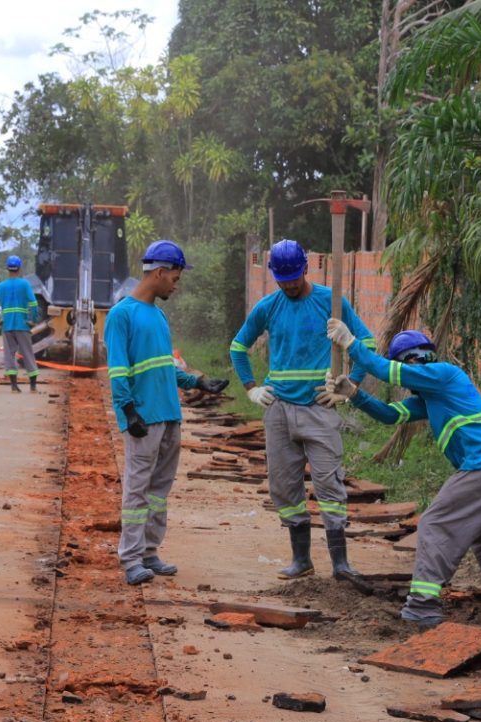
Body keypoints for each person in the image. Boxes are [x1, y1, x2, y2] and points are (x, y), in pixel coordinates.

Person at [333, 327, 481, 625]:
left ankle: (422, 605)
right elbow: (389, 415)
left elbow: (387, 371)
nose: (409, 370)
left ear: (417, 359)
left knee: (436, 524)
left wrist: (351, 344)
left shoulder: (444, 374)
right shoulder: (429, 397)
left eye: (409, 362)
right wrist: (354, 394)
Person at [229, 239, 372, 591]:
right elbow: (237, 347)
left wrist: (348, 385)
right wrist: (251, 387)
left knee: (328, 482)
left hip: (319, 408)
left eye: (294, 278)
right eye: (283, 280)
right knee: (284, 484)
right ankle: (301, 559)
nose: (290, 285)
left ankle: (341, 563)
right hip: (278, 410)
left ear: (306, 269)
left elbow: (365, 344)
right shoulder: (268, 306)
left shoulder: (330, 301)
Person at [108, 240, 229, 585]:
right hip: (143, 418)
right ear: (160, 273)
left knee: (159, 491)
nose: (177, 285)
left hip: (169, 414)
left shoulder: (158, 316)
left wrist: (198, 382)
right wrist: (128, 411)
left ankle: (149, 551)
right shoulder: (122, 315)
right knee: (137, 490)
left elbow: (165, 367)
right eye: (175, 278)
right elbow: (118, 370)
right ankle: (131, 559)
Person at [0, 256, 41, 393]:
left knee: (9, 356)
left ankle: (14, 387)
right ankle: (33, 387)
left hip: (7, 326)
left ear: (7, 268)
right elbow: (34, 304)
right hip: (22, 325)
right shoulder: (24, 284)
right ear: (20, 268)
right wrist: (33, 320)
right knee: (28, 354)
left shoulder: (1, 286)